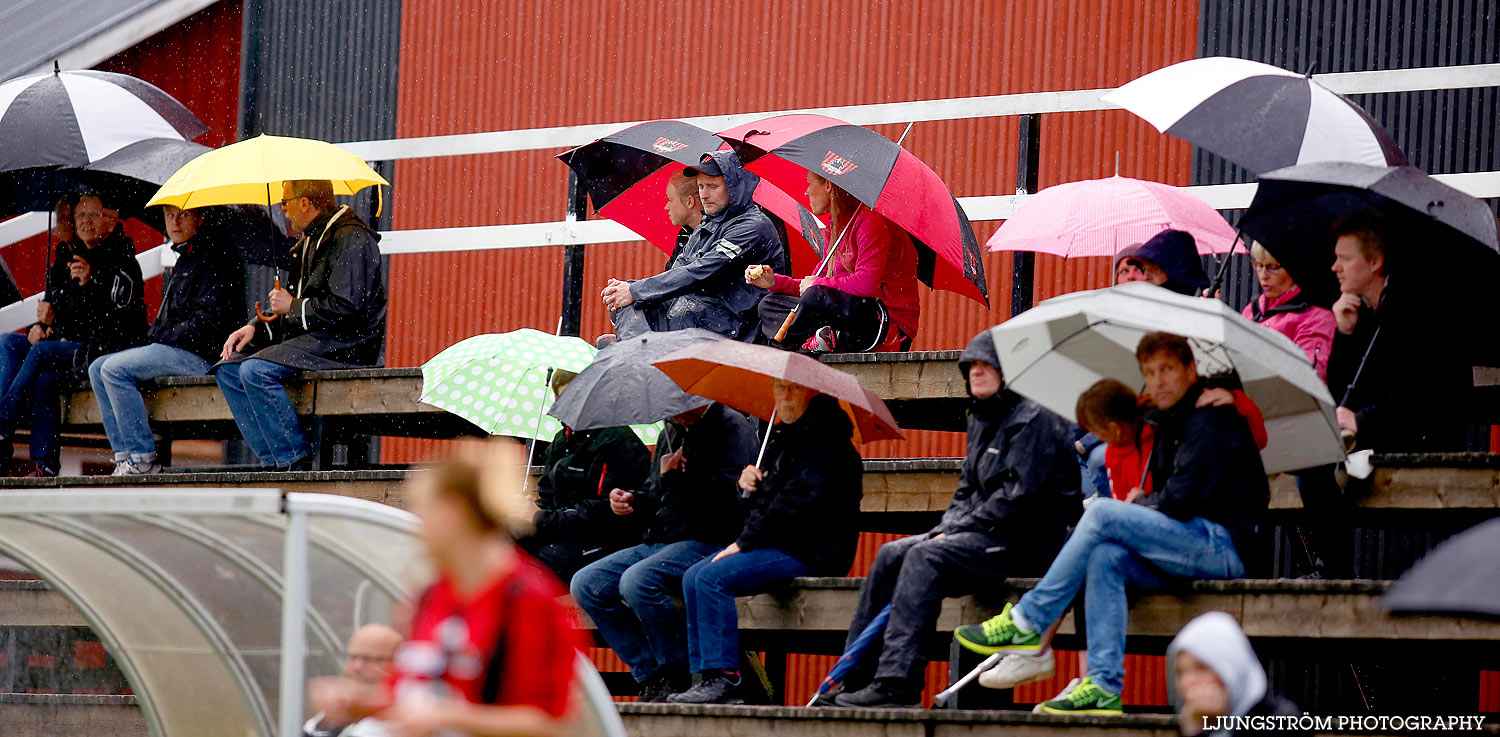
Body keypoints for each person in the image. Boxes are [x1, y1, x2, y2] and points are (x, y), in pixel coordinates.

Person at [953, 332, 1267, 715]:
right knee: (1105, 556)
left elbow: (1180, 501)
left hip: (1223, 545)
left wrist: (1142, 502)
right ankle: (1103, 684)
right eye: (1150, 373)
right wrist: (1148, 500)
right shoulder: (1173, 420)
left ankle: (1029, 620)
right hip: (1189, 543)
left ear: (1190, 369)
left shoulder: (1210, 417)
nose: (1158, 380)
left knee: (1101, 514)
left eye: (1167, 369)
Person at [829, 329, 1080, 708]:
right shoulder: (982, 416)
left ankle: (898, 683)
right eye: (971, 366)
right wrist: (945, 529)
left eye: (986, 365)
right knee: (891, 554)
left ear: (1007, 370)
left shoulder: (1037, 419)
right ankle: (852, 678)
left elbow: (1019, 498)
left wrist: (957, 532)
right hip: (986, 535)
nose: (976, 372)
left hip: (1031, 540)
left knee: (922, 557)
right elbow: (966, 489)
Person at [311, 444, 582, 736]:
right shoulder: (429, 595)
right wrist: (359, 704)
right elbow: (413, 697)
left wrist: (450, 718)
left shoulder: (527, 599)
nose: (418, 525)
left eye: (423, 509)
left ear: (454, 513)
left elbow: (549, 722)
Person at [667, 382, 864, 705]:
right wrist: (749, 485)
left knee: (710, 577)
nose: (783, 399)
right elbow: (764, 508)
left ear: (812, 395)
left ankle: (725, 678)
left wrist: (743, 544)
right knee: (691, 577)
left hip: (814, 550)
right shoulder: (784, 441)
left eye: (791, 391)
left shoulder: (829, 446)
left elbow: (794, 509)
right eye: (778, 390)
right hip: (781, 544)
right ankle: (704, 677)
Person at [569, 402, 756, 702]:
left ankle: (675, 671)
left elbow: (733, 501)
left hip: (709, 540)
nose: (672, 415)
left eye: (678, 409)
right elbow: (657, 493)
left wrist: (684, 475)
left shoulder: (732, 428)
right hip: (660, 539)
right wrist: (632, 499)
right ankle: (651, 675)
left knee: (637, 581)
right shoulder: (672, 429)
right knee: (585, 584)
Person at [216, 180, 387, 471]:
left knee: (255, 371)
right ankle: (273, 461)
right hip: (318, 342)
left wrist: (293, 307)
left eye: (286, 201)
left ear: (305, 203)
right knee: (228, 371)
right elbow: (291, 309)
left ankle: (294, 460)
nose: (282, 208)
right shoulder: (308, 242)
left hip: (346, 346)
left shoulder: (351, 238)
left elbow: (347, 309)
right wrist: (256, 326)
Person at [89, 205, 247, 475]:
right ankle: (125, 456)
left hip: (205, 357)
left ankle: (143, 459)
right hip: (177, 349)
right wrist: (159, 333)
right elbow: (172, 321)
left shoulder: (215, 258)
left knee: (114, 370)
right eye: (169, 214)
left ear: (201, 218)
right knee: (96, 368)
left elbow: (205, 326)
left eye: (183, 214)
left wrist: (160, 334)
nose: (174, 222)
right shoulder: (186, 256)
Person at [0, 192, 147, 476]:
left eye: (93, 215)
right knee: (11, 344)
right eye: (80, 215)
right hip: (65, 345)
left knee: (43, 359)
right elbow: (64, 312)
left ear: (110, 223)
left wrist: (91, 284)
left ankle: (3, 424)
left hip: (99, 350)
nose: (84, 222)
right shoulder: (71, 260)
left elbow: (113, 322)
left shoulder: (119, 260)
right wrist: (42, 327)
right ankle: (44, 465)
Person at [601, 151, 786, 341]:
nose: (703, 195)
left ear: (733, 188)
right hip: (695, 315)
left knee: (641, 296)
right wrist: (628, 290)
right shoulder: (708, 223)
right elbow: (678, 270)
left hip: (729, 326)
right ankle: (636, 349)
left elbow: (699, 272)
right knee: (626, 300)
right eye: (700, 187)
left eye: (712, 187)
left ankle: (634, 351)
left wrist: (635, 291)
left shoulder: (753, 227)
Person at [1326, 210, 1467, 452]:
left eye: (1345, 258)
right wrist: (1344, 333)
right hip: (1379, 452)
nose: (1335, 267)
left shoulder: (1412, 313)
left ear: (1374, 262)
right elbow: (1342, 394)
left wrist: (1361, 421)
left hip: (1420, 459)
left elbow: (1426, 395)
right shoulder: (1369, 314)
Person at [746, 170, 920, 354]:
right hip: (847, 315)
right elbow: (814, 283)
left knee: (816, 296)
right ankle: (821, 340)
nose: (806, 192)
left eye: (809, 183)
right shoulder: (835, 226)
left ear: (828, 185)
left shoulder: (871, 222)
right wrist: (776, 282)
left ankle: (788, 349)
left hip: (885, 325)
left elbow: (866, 284)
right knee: (769, 304)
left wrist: (817, 285)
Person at [521, 372, 653, 581]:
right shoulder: (561, 440)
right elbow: (548, 493)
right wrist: (529, 509)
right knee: (502, 546)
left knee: (533, 568)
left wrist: (541, 518)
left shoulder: (617, 442)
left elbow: (602, 514)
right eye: (562, 397)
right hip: (560, 531)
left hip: (602, 541)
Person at [1168, 612, 1306, 737]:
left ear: (1231, 666)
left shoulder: (1283, 724)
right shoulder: (1200, 726)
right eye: (1180, 672)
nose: (1188, 682)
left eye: (1201, 668)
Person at [1242, 241, 1335, 381]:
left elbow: (1306, 380)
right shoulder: (1254, 308)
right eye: (1259, 265)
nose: (1263, 275)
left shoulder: (1316, 317)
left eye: (1273, 267)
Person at [303, 624, 404, 737]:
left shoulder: (404, 723)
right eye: (352, 657)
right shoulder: (320, 722)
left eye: (370, 659)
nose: (357, 667)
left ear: (397, 665)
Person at [1131, 229, 1210, 297]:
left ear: (1177, 268)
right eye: (1144, 269)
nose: (1146, 277)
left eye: (1154, 268)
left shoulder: (1204, 305)